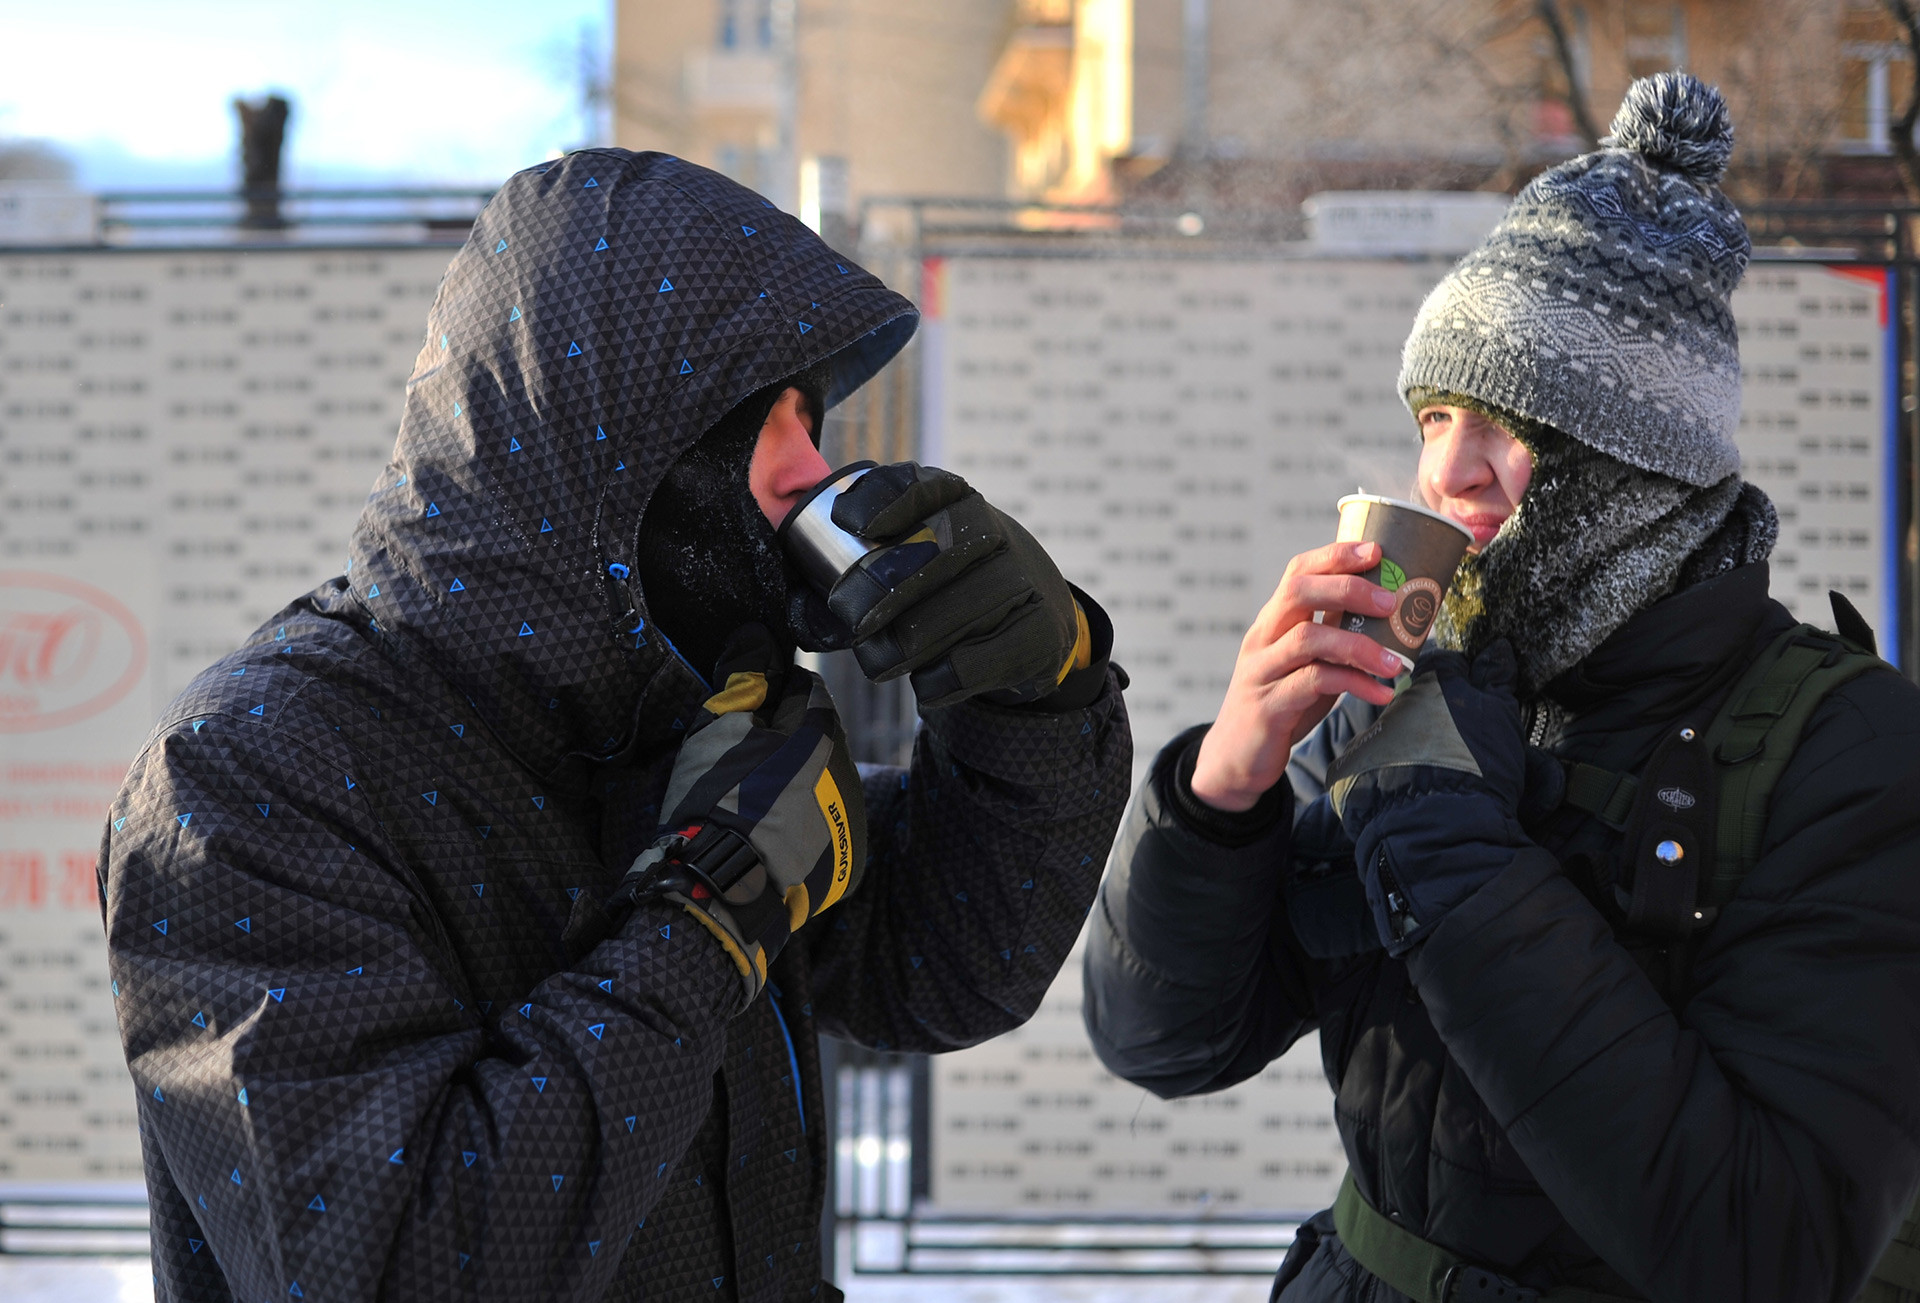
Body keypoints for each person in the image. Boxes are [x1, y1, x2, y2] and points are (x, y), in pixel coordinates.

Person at [102, 150, 1131, 1303]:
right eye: (769, 415)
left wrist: (1040, 694)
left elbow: (953, 963)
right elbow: (400, 1269)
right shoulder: (248, 781)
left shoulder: (679, 727)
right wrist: (705, 913)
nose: (814, 468)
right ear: (615, 439)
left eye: (815, 412)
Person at [1083, 74, 1920, 1303]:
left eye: (1506, 421)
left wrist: (1444, 836)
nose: (1446, 468)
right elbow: (1164, 1039)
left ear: (1637, 461)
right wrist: (1226, 792)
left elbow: (1766, 1247)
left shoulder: (1848, 753)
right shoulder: (1427, 685)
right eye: (1432, 413)